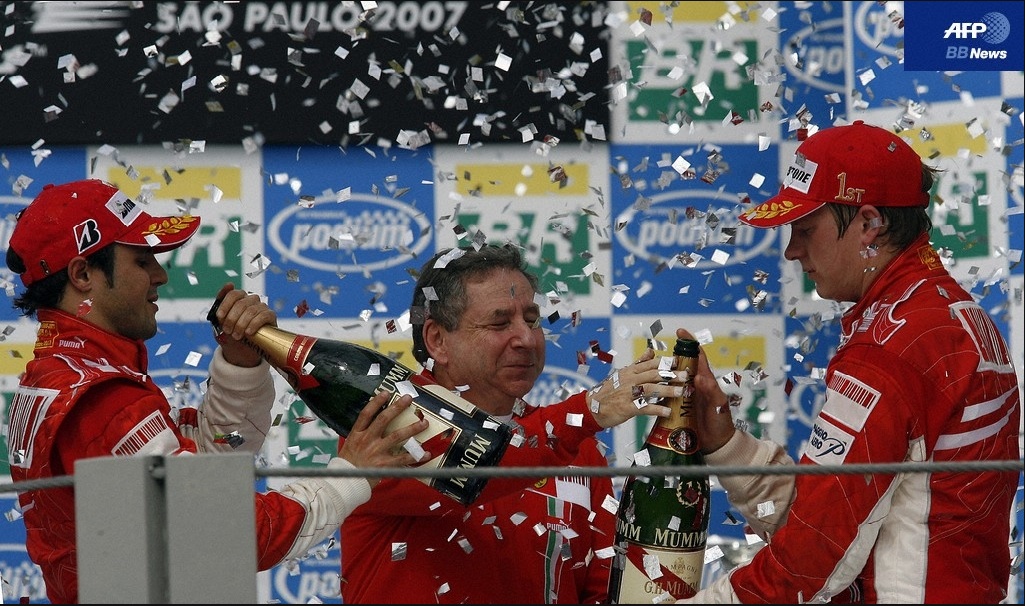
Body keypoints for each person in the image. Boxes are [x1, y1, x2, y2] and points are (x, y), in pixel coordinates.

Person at [4, 179, 431, 604]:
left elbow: (205, 466)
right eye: (142, 261)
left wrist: (239, 364)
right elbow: (229, 534)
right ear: (83, 274)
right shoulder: (100, 399)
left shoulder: (60, 373)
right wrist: (351, 475)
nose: (160, 275)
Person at [676, 120, 1021, 603]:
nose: (792, 251)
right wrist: (727, 446)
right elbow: (835, 519)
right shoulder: (953, 314)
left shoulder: (890, 347)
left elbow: (810, 559)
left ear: (869, 224)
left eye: (805, 229)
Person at [337, 243, 679, 604]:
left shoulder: (579, 452)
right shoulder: (382, 430)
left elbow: (604, 593)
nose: (527, 339)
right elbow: (481, 465)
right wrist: (588, 411)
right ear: (438, 340)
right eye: (500, 323)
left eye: (531, 320)